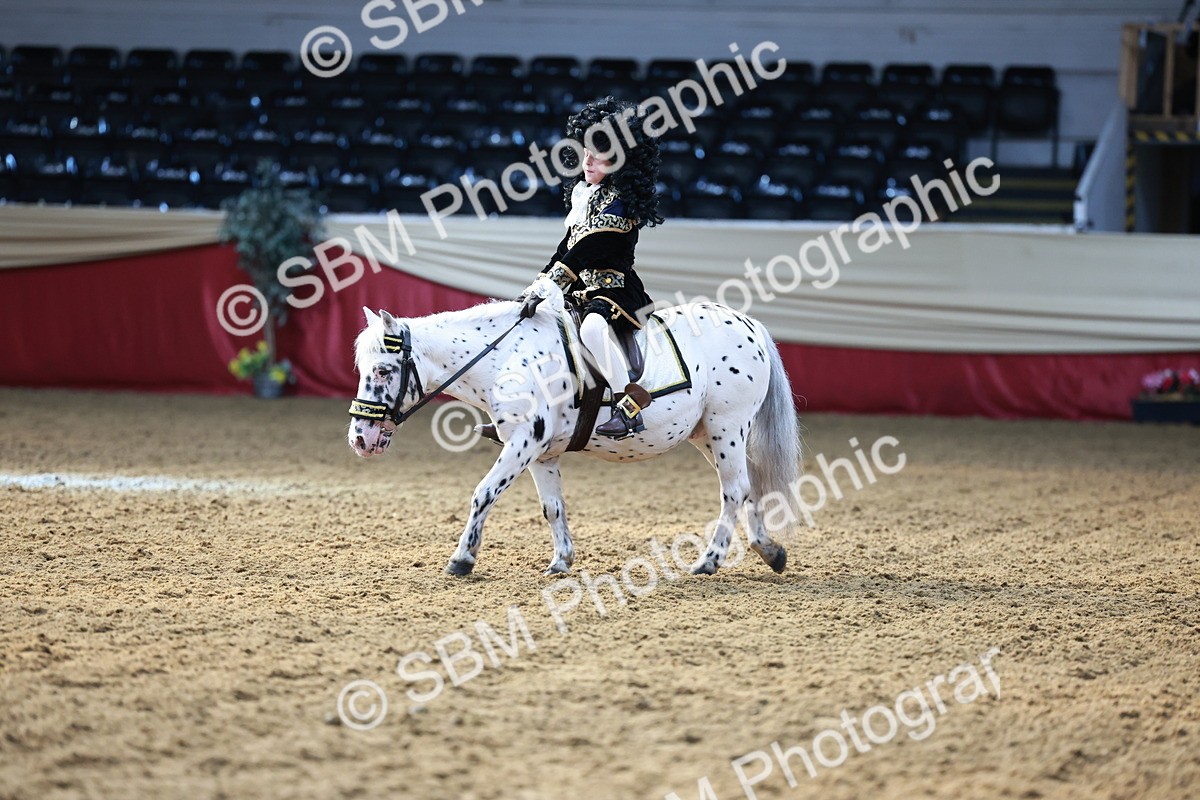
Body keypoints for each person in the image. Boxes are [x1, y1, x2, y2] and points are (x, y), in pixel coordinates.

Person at [527, 96, 665, 439]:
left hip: (615, 291)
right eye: (585, 150)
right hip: (580, 289)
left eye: (597, 154)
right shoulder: (585, 196)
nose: (586, 160)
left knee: (590, 330)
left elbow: (589, 248)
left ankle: (628, 405)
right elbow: (567, 248)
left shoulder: (621, 202)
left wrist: (554, 283)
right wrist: (538, 284)